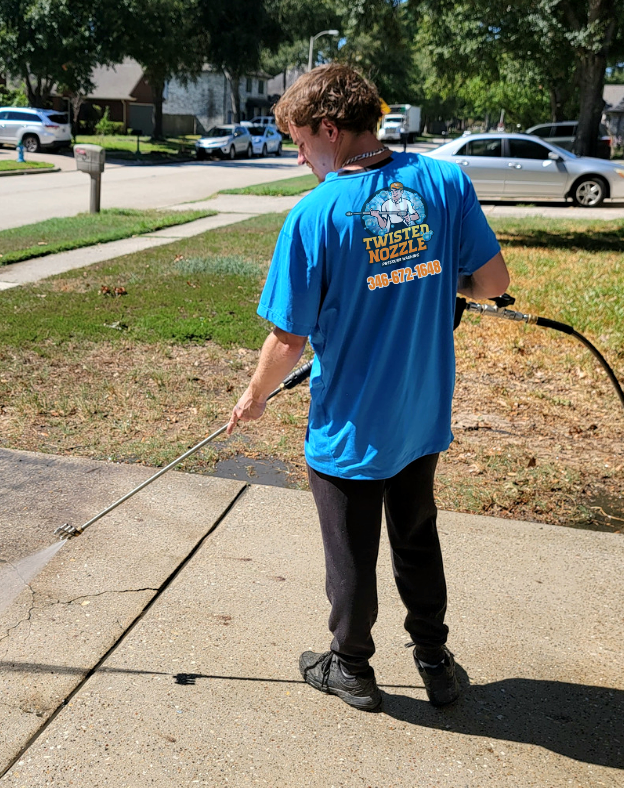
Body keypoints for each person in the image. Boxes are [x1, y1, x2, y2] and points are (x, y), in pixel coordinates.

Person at [226, 64, 509, 713]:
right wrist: (448, 283)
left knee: (352, 555)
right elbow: (492, 282)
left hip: (350, 429)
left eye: (300, 143)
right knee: (416, 537)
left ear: (329, 129)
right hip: (420, 416)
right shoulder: (443, 181)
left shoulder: (315, 214)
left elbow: (286, 341)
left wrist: (255, 396)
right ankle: (435, 660)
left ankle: (351, 667)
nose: (299, 158)